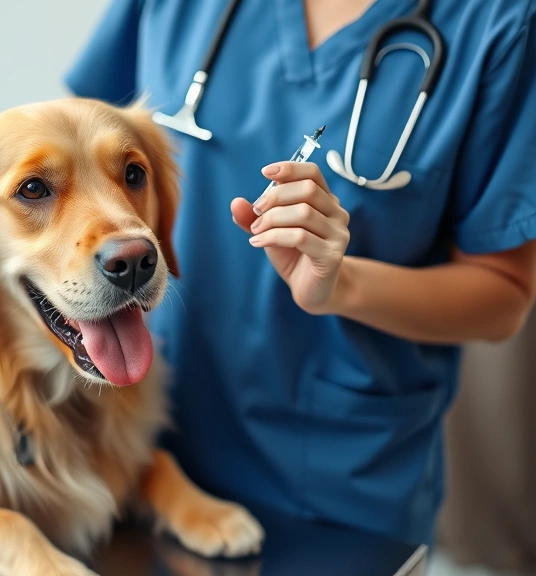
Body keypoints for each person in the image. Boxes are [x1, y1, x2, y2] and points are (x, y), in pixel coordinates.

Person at [64, 0, 536, 547]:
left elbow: (505, 295)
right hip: (139, 449)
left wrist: (341, 285)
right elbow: (77, 156)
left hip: (338, 488)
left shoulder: (496, 22)